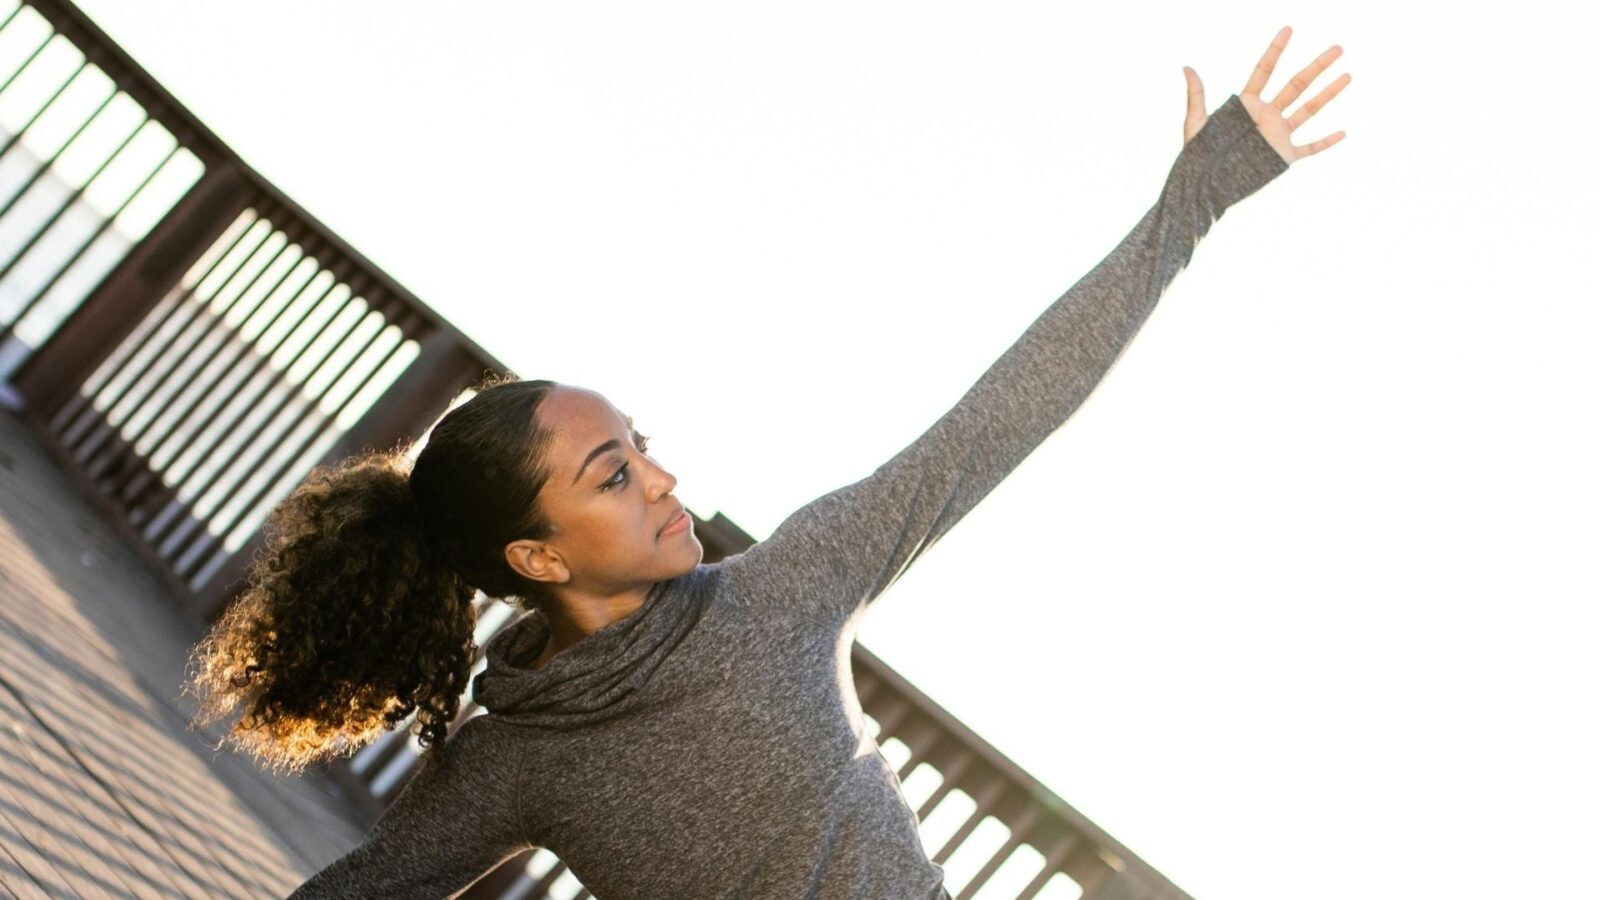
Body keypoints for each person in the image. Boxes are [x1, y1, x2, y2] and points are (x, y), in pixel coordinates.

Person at [185, 25, 1350, 900]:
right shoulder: (517, 759)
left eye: (640, 449)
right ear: (536, 556)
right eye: (612, 475)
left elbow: (996, 418)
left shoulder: (790, 583)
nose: (661, 480)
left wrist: (1190, 207)